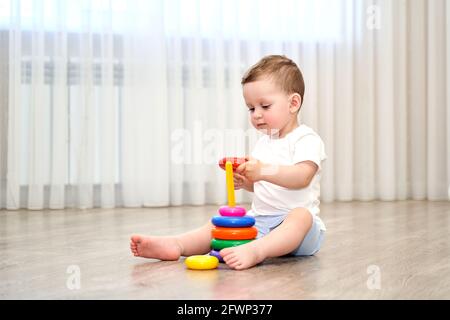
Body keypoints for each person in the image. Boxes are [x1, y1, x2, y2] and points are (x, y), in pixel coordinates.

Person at [130, 55, 327, 270]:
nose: (256, 115)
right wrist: (249, 182)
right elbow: (269, 187)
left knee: (301, 216)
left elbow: (301, 177)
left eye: (265, 106)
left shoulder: (306, 139)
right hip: (263, 222)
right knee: (222, 221)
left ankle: (257, 251)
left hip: (302, 234)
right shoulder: (263, 143)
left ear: (293, 103)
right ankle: (177, 244)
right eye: (251, 108)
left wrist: (262, 171)